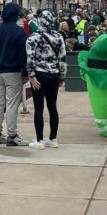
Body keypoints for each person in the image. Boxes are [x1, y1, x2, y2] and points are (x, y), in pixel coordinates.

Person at [25, 11, 67, 148]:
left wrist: (31, 76)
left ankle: (39, 140)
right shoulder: (59, 37)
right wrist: (61, 76)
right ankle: (53, 139)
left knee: (38, 107)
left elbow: (30, 58)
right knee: (52, 106)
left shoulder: (33, 38)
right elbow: (62, 58)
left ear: (39, 21)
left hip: (39, 75)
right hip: (54, 75)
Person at [0, 2, 28, 146]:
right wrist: (25, 72)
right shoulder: (19, 31)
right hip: (13, 71)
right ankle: (12, 135)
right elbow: (23, 54)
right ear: (16, 15)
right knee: (12, 104)